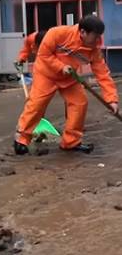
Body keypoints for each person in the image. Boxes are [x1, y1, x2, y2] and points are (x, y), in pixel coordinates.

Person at [14, 16, 119, 155]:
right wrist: (60, 67)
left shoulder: (94, 49)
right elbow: (44, 55)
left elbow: (103, 74)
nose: (97, 40)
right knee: (36, 104)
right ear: (82, 32)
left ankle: (71, 142)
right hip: (46, 74)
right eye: (94, 36)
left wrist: (112, 100)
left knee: (79, 104)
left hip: (69, 78)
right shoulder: (57, 34)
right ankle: (22, 139)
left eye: (99, 36)